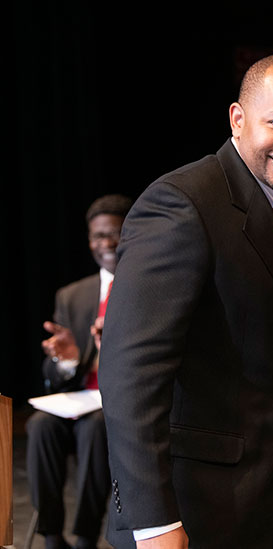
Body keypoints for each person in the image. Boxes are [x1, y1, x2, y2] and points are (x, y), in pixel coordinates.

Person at [98, 54, 273, 548]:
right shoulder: (182, 204)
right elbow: (130, 373)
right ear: (237, 118)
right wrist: (154, 522)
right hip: (191, 513)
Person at [27, 194, 132, 549]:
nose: (107, 243)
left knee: (96, 427)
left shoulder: (146, 288)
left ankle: (86, 536)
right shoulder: (72, 295)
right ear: (90, 241)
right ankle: (52, 536)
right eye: (99, 235)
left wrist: (115, 349)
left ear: (129, 233)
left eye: (115, 233)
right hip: (79, 398)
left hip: (121, 404)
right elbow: (51, 373)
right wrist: (67, 359)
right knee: (39, 425)